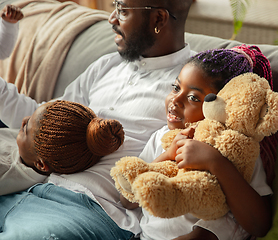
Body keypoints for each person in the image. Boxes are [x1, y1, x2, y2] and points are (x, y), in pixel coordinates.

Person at [0, 0, 195, 239]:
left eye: (122, 10)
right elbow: (46, 123)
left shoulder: (191, 86)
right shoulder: (107, 65)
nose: (112, 19)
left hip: (93, 210)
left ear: (158, 19)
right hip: (34, 190)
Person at [120, 45, 274, 240]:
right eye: (176, 87)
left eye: (193, 97)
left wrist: (215, 162)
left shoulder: (236, 149)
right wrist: (168, 155)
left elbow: (259, 225)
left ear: (222, 106)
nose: (175, 99)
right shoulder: (161, 137)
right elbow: (127, 200)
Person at [0, 100, 124, 196]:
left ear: (41, 164)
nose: (23, 119)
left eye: (25, 128)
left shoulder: (5, 169)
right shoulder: (33, 149)